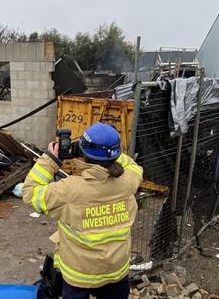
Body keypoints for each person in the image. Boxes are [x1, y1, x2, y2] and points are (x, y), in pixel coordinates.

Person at [22, 123, 143, 299]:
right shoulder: (128, 182)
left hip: (80, 276)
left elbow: (30, 193)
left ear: (83, 152)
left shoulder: (69, 190)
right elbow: (132, 165)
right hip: (116, 271)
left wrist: (50, 160)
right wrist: (107, 151)